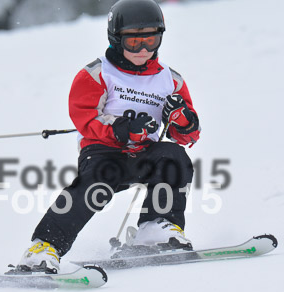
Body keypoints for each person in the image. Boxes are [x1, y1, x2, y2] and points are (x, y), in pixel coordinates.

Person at [19, 0, 201, 272]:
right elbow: (83, 115)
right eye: (133, 42)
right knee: (96, 186)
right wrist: (121, 128)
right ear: (117, 39)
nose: (143, 49)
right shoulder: (97, 73)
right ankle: (44, 248)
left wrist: (182, 119)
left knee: (174, 157)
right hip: (104, 152)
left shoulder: (171, 80)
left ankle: (155, 228)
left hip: (145, 156)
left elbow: (187, 136)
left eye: (150, 40)